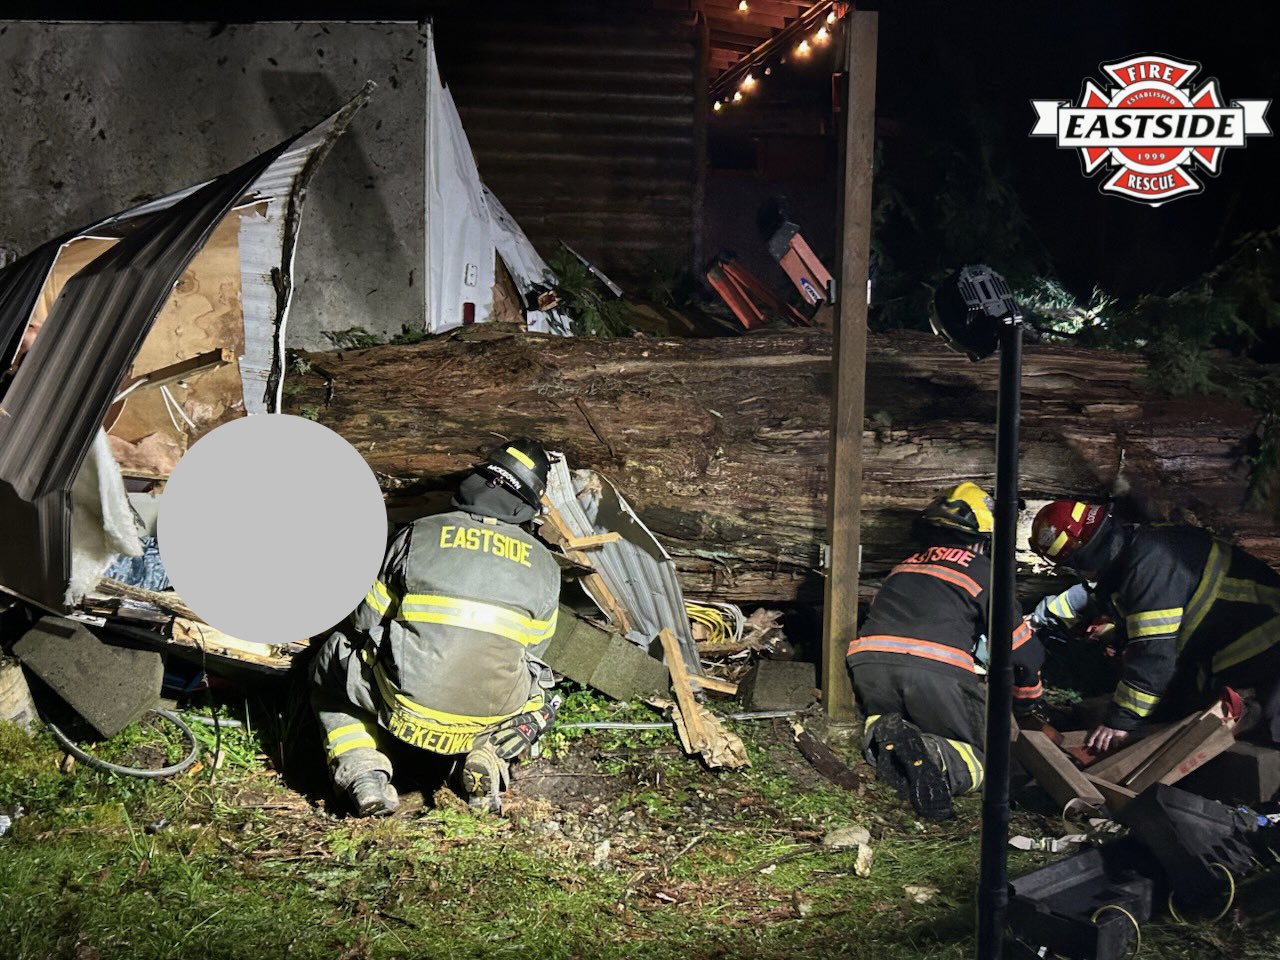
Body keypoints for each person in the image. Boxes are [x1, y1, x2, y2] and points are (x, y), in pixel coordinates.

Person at [310, 438, 562, 816]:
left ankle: (362, 772)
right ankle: (489, 757)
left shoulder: (418, 533)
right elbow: (534, 651)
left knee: (333, 659)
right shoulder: (547, 566)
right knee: (542, 696)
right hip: (485, 717)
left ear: (478, 481)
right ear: (527, 504)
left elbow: (363, 620)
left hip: (404, 709)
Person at [847, 482, 1045, 820]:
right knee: (991, 759)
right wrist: (1028, 702)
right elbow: (1023, 654)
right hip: (933, 673)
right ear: (983, 540)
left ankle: (885, 743)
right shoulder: (985, 572)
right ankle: (935, 756)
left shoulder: (903, 566)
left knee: (893, 718)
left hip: (868, 666)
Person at [1029, 500, 1280, 752]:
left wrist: (1120, 721)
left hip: (1262, 651)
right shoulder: (1139, 548)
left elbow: (1154, 655)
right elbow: (1101, 600)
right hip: (1228, 649)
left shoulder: (1147, 569)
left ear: (1086, 558)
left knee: (1255, 740)